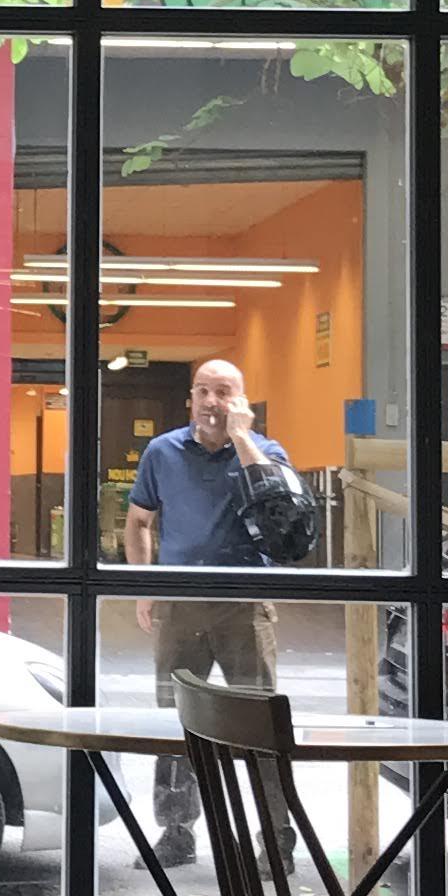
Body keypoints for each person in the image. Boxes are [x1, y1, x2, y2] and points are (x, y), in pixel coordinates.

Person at [126, 358, 316, 863]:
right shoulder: (162, 452)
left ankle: (275, 838)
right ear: (190, 398)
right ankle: (176, 833)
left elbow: (284, 514)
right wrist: (144, 586)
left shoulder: (266, 452)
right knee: (175, 724)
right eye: (203, 391)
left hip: (244, 606)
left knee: (261, 724)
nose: (212, 402)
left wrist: (242, 438)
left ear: (242, 400)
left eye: (224, 391)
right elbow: (139, 522)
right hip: (179, 604)